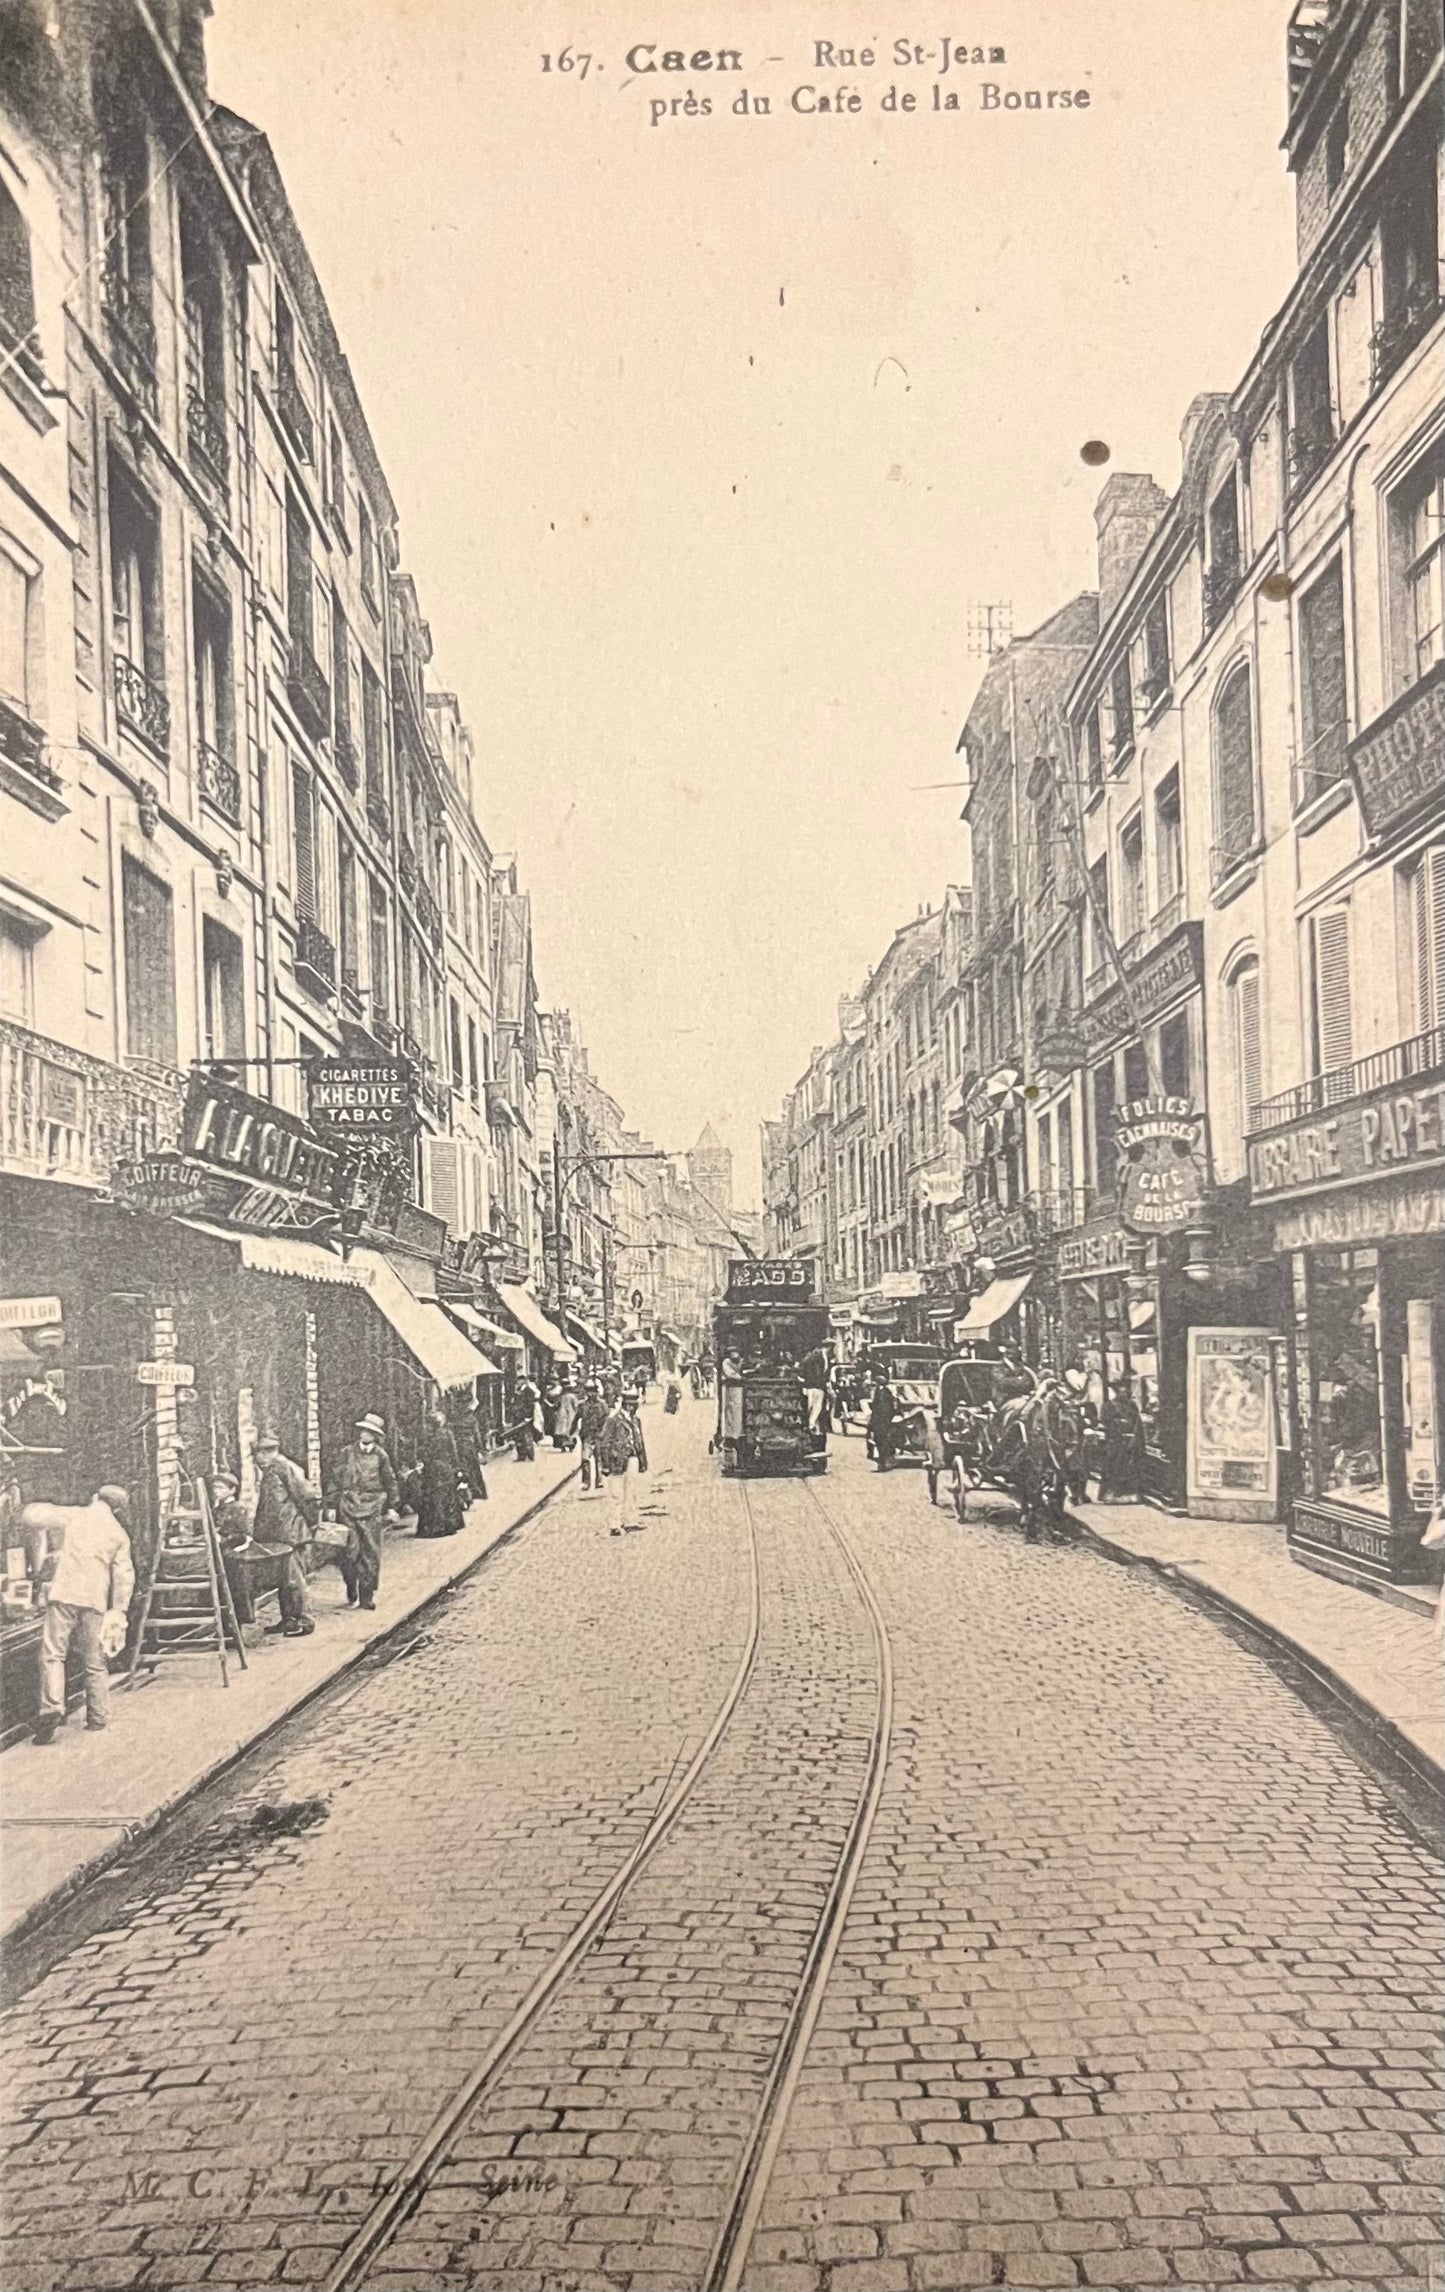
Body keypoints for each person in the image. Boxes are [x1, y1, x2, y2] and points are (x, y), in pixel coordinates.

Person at [23, 1485, 135, 1744]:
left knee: (53, 1654)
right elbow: (124, 1577)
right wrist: (119, 1610)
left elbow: (33, 1515)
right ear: (117, 1508)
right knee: (94, 1660)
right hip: (95, 1599)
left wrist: (30, 1507)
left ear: (95, 1497)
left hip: (64, 1594)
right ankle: (98, 1716)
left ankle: (52, 1707)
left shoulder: (76, 1515)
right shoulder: (119, 1535)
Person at [325, 1414, 399, 1609]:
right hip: (347, 1507)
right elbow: (334, 1479)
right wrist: (331, 1506)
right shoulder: (347, 1453)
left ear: (376, 1436)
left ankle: (366, 1596)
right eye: (363, 1431)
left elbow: (390, 1481)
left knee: (370, 1554)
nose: (365, 1435)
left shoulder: (381, 1456)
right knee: (349, 1552)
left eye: (370, 1432)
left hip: (372, 1508)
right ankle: (352, 1588)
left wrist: (392, 1506)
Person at [251, 1432, 319, 1636]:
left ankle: (305, 1621)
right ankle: (288, 1619)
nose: (257, 1459)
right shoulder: (271, 1470)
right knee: (283, 1579)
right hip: (276, 1535)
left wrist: (311, 1525)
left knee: (294, 1579)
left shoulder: (285, 1467)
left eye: (260, 1454)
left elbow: (307, 1497)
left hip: (290, 1533)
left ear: (271, 1452)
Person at [211, 1471, 260, 1631]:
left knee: (236, 1591)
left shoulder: (239, 1509)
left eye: (221, 1488)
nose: (216, 1491)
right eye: (215, 1488)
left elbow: (244, 1535)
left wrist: (223, 1539)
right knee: (221, 1592)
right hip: (221, 1556)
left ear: (232, 1490)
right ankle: (224, 1628)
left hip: (235, 1557)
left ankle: (235, 1629)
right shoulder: (217, 1509)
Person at [598, 1388, 649, 1532]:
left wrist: (643, 1460)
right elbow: (605, 1443)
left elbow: (640, 1440)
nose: (635, 1407)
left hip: (633, 1458)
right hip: (617, 1460)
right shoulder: (613, 1420)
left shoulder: (636, 1420)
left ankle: (630, 1520)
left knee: (632, 1491)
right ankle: (615, 1524)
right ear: (628, 1405)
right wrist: (606, 1464)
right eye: (633, 1404)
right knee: (616, 1494)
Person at [415, 1401, 466, 1539]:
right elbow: (453, 1452)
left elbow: (423, 1453)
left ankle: (434, 1527)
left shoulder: (427, 1436)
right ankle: (449, 1525)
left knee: (432, 1497)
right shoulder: (447, 1433)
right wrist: (457, 1468)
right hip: (445, 1468)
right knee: (447, 1496)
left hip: (432, 1469)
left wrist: (423, 1463)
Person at [577, 1381, 609, 1492]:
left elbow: (606, 1420)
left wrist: (603, 1432)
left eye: (593, 1392)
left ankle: (599, 1480)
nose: (591, 1394)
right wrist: (571, 1434)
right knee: (585, 1459)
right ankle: (586, 1482)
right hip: (587, 1435)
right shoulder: (582, 1405)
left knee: (598, 1459)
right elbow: (576, 1418)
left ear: (596, 1392)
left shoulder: (602, 1404)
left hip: (598, 1434)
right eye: (588, 1392)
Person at [868, 1376, 898, 1471]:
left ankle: (883, 1464)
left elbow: (878, 1408)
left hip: (881, 1422)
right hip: (882, 1422)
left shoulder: (881, 1393)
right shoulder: (885, 1392)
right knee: (881, 1443)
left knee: (881, 1443)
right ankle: (883, 1464)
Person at [801, 1344, 830, 1438]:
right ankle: (812, 1426)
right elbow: (825, 1369)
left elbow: (802, 1374)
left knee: (811, 1408)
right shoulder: (820, 1360)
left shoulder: (805, 1360)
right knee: (817, 1408)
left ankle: (813, 1427)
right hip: (818, 1387)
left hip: (809, 1386)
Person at [512, 1374, 541, 1462]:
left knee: (527, 1436)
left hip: (525, 1417)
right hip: (517, 1416)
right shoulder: (518, 1391)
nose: (517, 1383)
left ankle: (530, 1455)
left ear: (523, 1381)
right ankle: (521, 1455)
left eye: (519, 1381)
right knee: (518, 1437)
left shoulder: (529, 1391)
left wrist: (528, 1417)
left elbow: (530, 1405)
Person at [553, 1380, 579, 1450]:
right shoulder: (573, 1396)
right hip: (570, 1413)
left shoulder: (561, 1397)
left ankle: (563, 1446)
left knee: (562, 1430)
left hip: (561, 1413)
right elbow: (576, 1405)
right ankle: (570, 1444)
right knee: (570, 1429)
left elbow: (556, 1405)